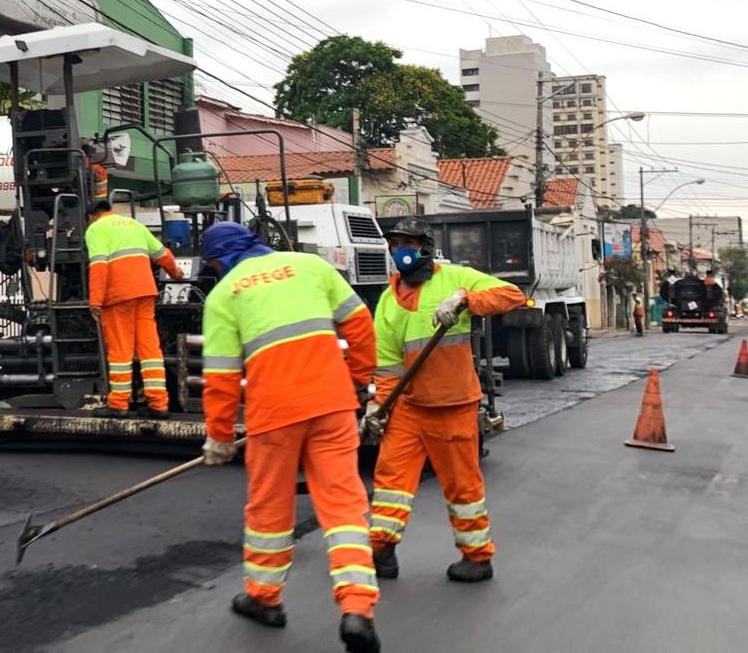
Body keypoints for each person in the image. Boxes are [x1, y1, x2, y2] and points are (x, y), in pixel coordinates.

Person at [199, 221, 382, 653]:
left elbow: (222, 378)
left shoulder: (225, 295)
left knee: (269, 510)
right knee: (344, 510)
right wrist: (355, 380)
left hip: (274, 416)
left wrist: (220, 435)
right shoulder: (310, 266)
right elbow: (360, 326)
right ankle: (357, 610)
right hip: (332, 404)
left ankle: (265, 600)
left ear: (219, 259)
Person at [367, 216, 525, 584]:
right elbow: (388, 367)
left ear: (425, 246)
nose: (400, 251)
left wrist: (465, 300)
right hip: (408, 407)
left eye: (407, 243)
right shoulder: (388, 301)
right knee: (391, 480)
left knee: (462, 486)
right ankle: (381, 550)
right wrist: (379, 406)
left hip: (452, 405)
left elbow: (511, 295)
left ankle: (477, 557)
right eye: (394, 244)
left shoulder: (455, 278)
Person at [84, 200, 182, 419]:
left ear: (91, 216)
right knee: (150, 350)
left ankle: (118, 404)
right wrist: (176, 274)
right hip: (145, 292)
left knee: (120, 351)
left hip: (119, 296)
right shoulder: (134, 224)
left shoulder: (96, 229)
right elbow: (162, 254)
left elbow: (99, 266)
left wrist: (95, 302)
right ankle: (159, 403)